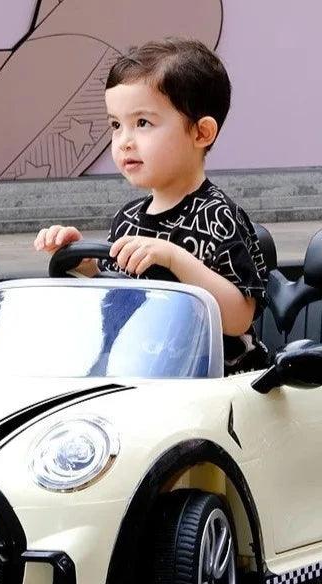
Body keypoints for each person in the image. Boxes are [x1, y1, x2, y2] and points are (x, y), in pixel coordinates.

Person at [33, 37, 268, 374]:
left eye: (142, 123)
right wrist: (86, 268)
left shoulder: (219, 215)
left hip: (218, 382)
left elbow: (238, 317)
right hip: (144, 373)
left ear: (201, 133)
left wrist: (174, 258)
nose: (124, 141)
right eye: (116, 125)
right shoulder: (127, 218)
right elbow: (121, 303)